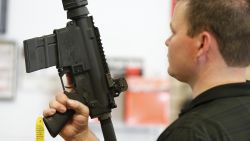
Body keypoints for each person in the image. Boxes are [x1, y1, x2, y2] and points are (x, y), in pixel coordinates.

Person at [43, 0, 250, 140]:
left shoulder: (191, 133)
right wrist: (83, 136)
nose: (167, 41)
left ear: (202, 44)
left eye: (174, 31)